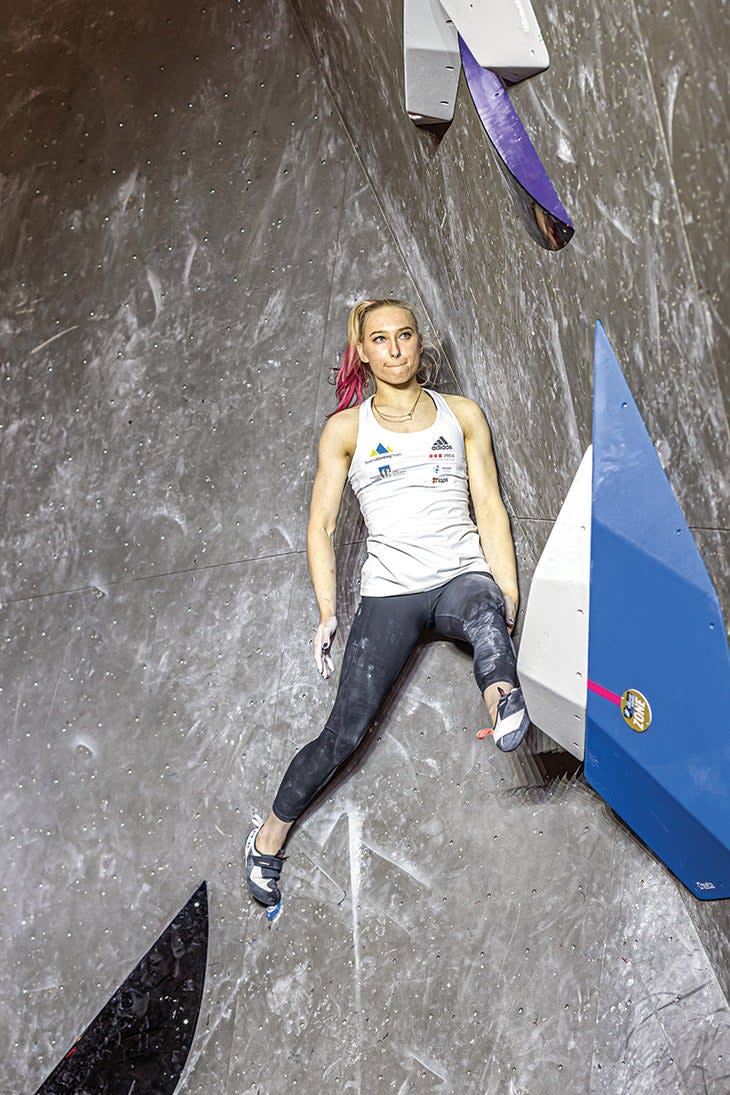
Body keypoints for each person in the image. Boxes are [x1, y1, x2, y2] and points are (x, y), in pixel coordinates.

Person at [245, 298, 530, 909]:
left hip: (459, 573)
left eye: (405, 336)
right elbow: (320, 527)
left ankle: (503, 700)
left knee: (484, 615)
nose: (396, 349)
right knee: (344, 732)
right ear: (364, 351)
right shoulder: (346, 430)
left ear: (418, 342)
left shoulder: (462, 415)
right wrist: (327, 612)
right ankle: (268, 839)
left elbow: (491, 506)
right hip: (390, 593)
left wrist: (505, 589)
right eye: (381, 339)